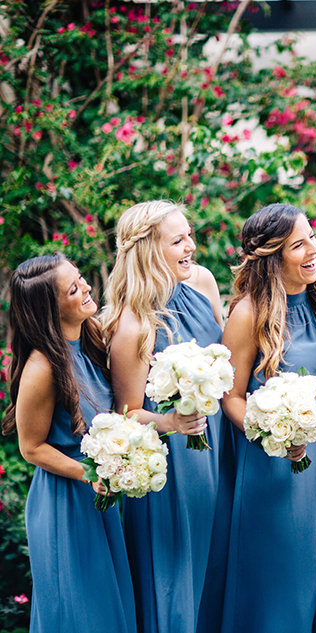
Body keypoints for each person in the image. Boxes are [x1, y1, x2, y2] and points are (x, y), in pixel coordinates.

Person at [219, 204, 316, 632]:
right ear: (273, 255)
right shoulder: (249, 313)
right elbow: (231, 396)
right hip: (278, 462)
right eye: (298, 244)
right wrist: (271, 432)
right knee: (287, 577)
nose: (313, 249)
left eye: (311, 237)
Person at [101, 200, 225, 633]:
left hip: (220, 443)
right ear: (150, 249)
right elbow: (125, 414)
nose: (191, 246)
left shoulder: (203, 282)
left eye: (189, 234)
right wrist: (171, 423)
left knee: (218, 565)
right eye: (178, 240)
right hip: (175, 464)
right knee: (177, 575)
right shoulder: (133, 325)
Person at [1, 254, 135, 633]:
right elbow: (31, 448)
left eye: (80, 279)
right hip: (66, 500)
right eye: (73, 289)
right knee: (82, 614)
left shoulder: (90, 338)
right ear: (50, 310)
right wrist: (87, 473)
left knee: (109, 607)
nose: (87, 287)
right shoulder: (42, 368)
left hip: (98, 493)